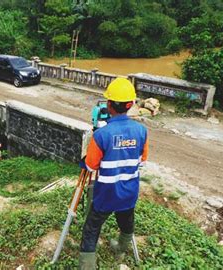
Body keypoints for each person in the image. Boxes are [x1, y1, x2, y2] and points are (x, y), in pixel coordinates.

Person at [79, 78, 149, 269]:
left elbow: (91, 167)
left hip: (106, 195)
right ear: (130, 105)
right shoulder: (142, 131)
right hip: (129, 192)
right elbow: (142, 160)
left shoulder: (102, 135)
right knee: (126, 221)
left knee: (91, 228)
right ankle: (122, 247)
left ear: (109, 105)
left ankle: (87, 266)